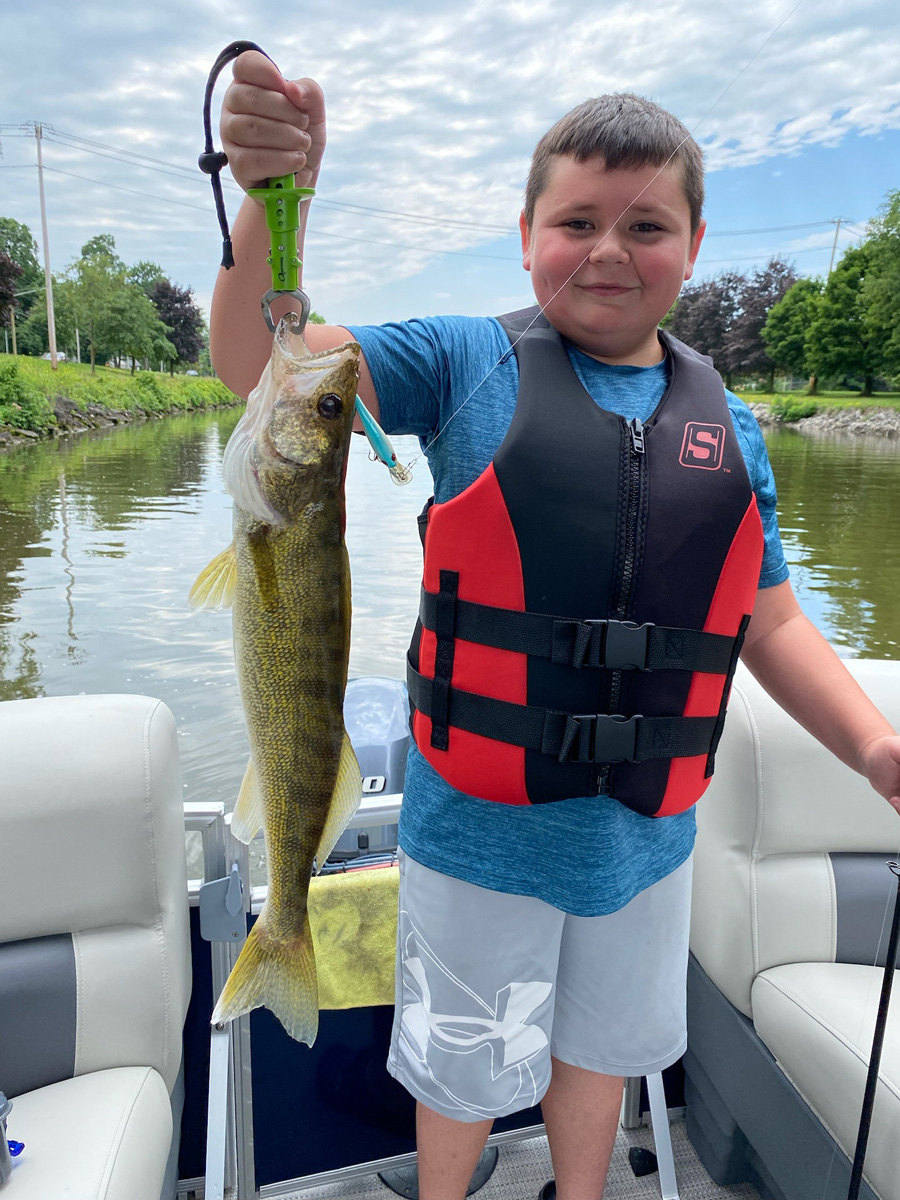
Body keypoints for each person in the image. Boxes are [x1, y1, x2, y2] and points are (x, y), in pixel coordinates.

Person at [211, 51, 900, 1200]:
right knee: (462, 1074)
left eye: (648, 226)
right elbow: (260, 365)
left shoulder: (730, 423)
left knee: (602, 1060)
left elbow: (770, 621)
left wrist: (876, 747)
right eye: (577, 219)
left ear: (695, 242)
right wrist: (273, 202)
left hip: (645, 841)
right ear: (526, 230)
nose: (609, 250)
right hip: (477, 837)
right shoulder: (464, 361)